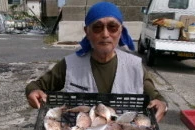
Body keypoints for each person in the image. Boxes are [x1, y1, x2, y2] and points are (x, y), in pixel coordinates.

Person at [25, 1, 168, 122]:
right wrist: (33, 91)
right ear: (87, 31)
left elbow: (157, 98)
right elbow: (35, 86)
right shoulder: (70, 65)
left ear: (120, 31)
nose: (105, 34)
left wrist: (162, 104)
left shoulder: (135, 66)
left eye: (112, 27)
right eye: (97, 27)